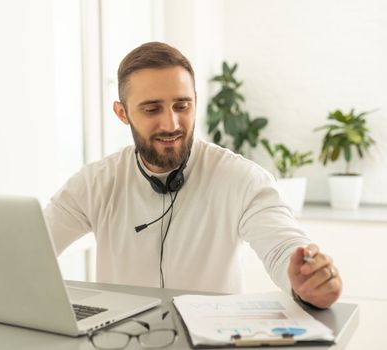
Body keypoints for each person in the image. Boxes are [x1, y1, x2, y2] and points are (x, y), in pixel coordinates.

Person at [44, 42, 342, 309]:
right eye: (152, 109)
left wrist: (306, 282)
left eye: (182, 105)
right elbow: (35, 247)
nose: (171, 123)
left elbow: (282, 249)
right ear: (122, 113)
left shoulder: (242, 178)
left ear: (196, 100)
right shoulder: (95, 182)